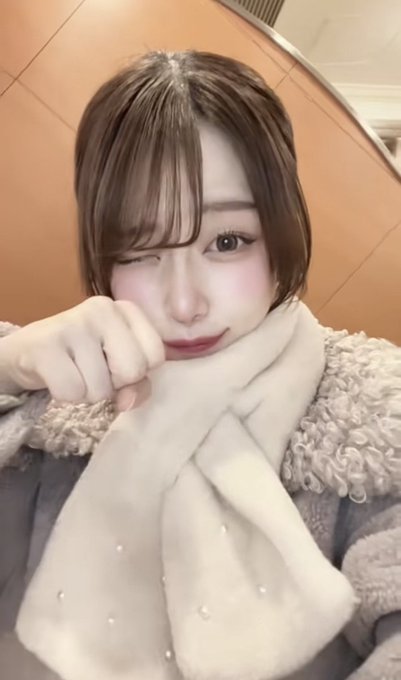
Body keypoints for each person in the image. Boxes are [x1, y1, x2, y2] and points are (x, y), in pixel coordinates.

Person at [0, 50, 400, 680]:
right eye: (140, 251)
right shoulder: (68, 403)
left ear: (281, 231)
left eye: (227, 241)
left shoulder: (374, 417)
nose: (184, 304)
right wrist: (8, 369)